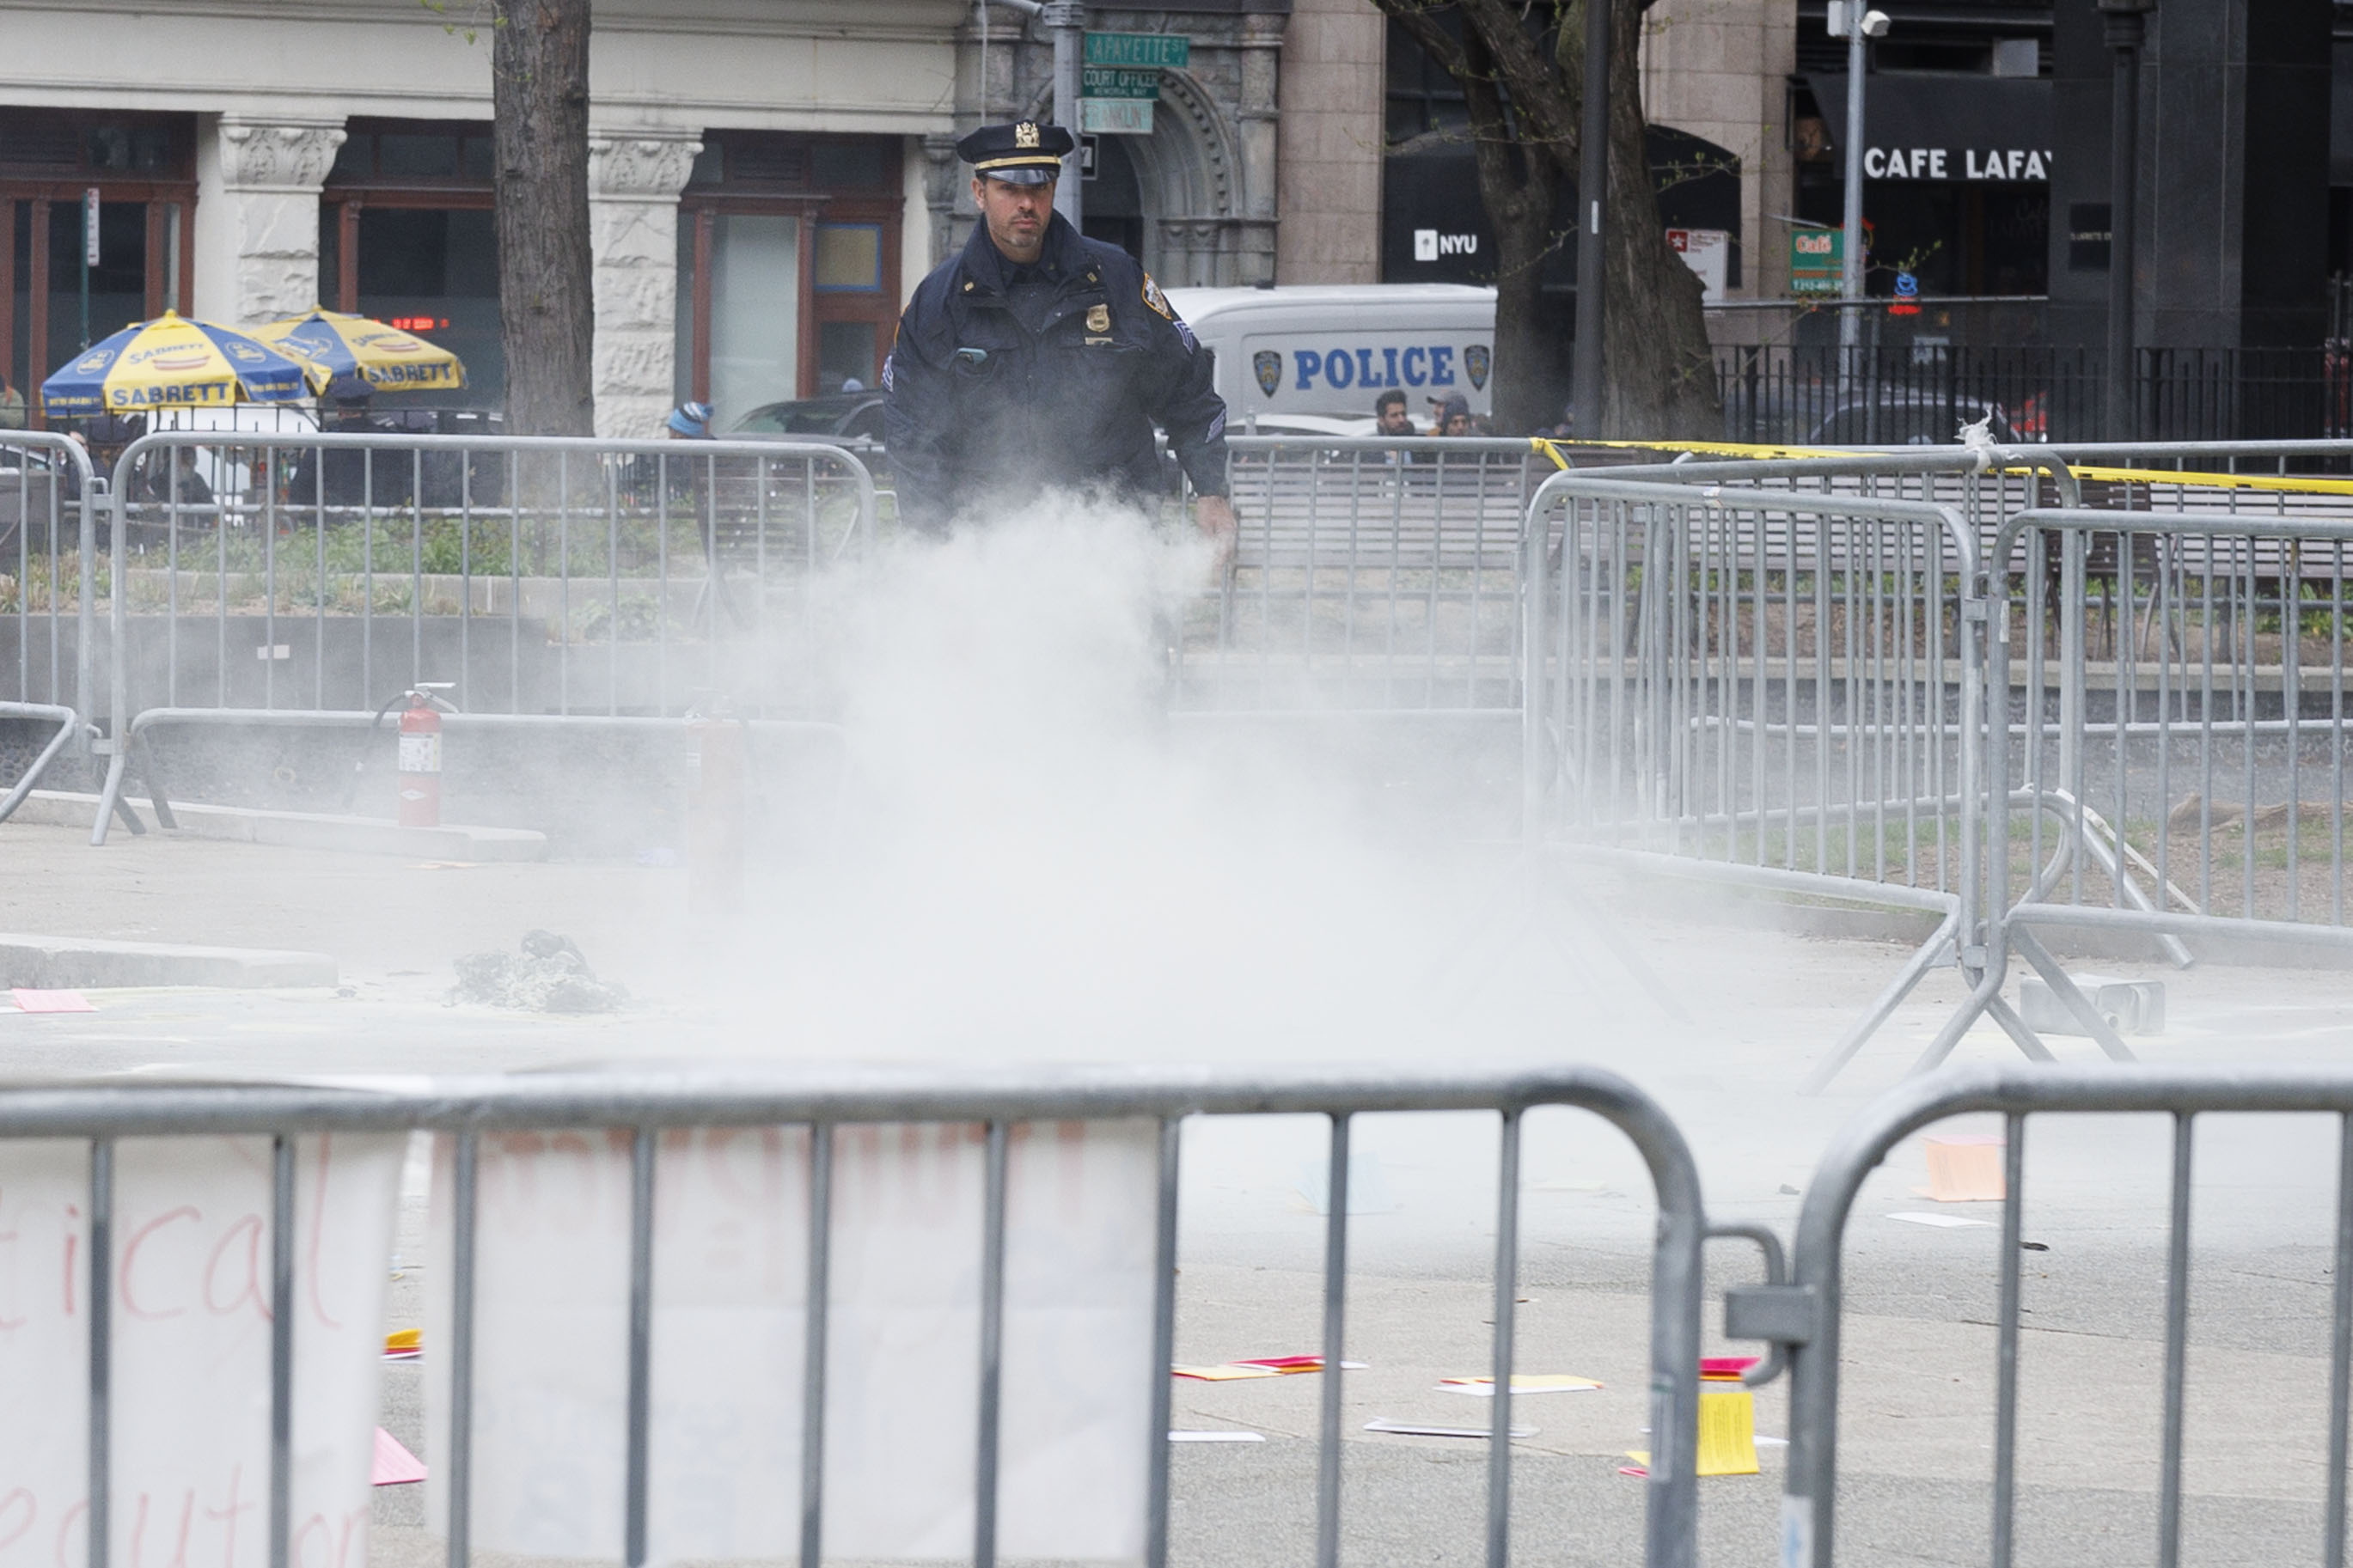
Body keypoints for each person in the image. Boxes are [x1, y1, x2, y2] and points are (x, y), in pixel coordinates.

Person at [883, 119, 1234, 544]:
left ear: (1053, 191)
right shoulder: (939, 303)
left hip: (1112, 529)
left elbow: (1187, 388)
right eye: (1009, 189)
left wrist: (1212, 490)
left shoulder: (1117, 279)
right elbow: (913, 433)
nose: (1026, 203)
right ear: (980, 193)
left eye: (1039, 188)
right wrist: (929, 539)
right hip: (986, 537)